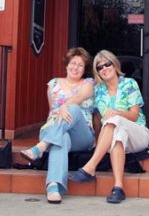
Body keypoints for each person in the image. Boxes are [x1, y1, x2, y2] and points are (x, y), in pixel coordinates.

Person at [69, 50, 149, 204]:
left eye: (108, 64)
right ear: (97, 72)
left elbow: (133, 115)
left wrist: (117, 112)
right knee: (117, 135)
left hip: (137, 134)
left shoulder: (129, 84)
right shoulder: (98, 90)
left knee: (116, 120)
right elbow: (97, 117)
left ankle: (90, 167)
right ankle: (118, 188)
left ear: (115, 65)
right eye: (100, 67)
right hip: (116, 136)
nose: (104, 68)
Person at [20, 47, 95, 204]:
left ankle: (41, 147)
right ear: (66, 65)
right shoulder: (53, 84)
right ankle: (53, 186)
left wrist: (63, 106)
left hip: (82, 135)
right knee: (62, 137)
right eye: (73, 63)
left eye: (80, 65)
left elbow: (79, 98)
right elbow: (50, 113)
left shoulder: (88, 83)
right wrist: (58, 114)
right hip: (56, 129)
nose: (75, 67)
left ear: (84, 69)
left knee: (72, 108)